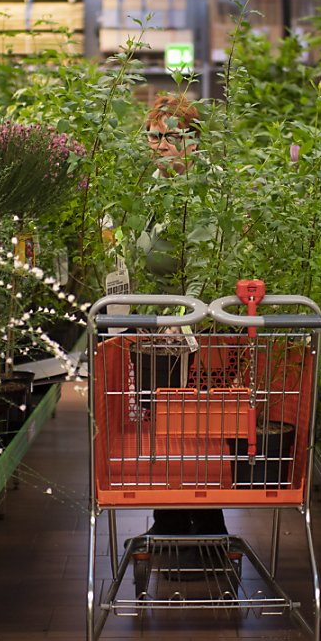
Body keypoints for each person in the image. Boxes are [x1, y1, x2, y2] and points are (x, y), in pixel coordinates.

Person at [135, 93, 227, 546]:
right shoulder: (155, 183)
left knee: (196, 427)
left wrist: (186, 316)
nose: (159, 144)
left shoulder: (206, 187)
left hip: (195, 329)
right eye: (153, 135)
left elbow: (207, 258)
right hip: (157, 329)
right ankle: (168, 518)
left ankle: (208, 524)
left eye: (169, 136)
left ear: (195, 140)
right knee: (163, 428)